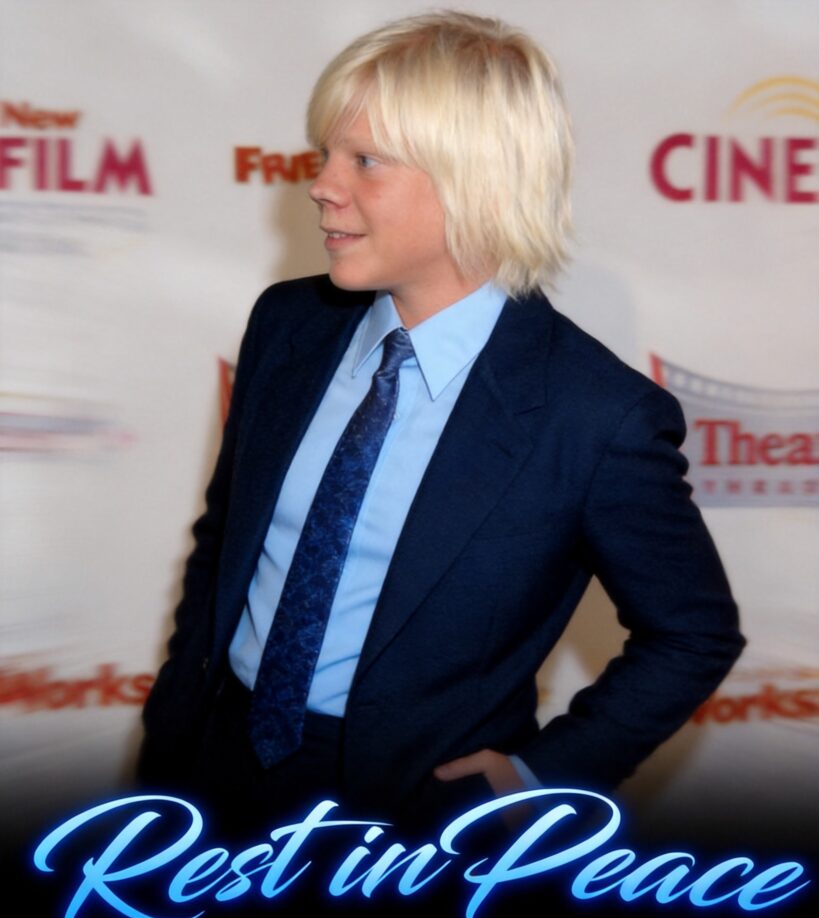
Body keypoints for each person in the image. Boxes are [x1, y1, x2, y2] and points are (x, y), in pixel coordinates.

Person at [137, 11, 744, 829]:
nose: (321, 184)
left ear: (475, 179)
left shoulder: (596, 415)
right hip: (209, 769)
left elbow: (692, 634)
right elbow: (226, 541)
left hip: (414, 816)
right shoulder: (287, 324)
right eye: (325, 155)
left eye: (364, 160)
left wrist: (537, 776)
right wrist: (175, 719)